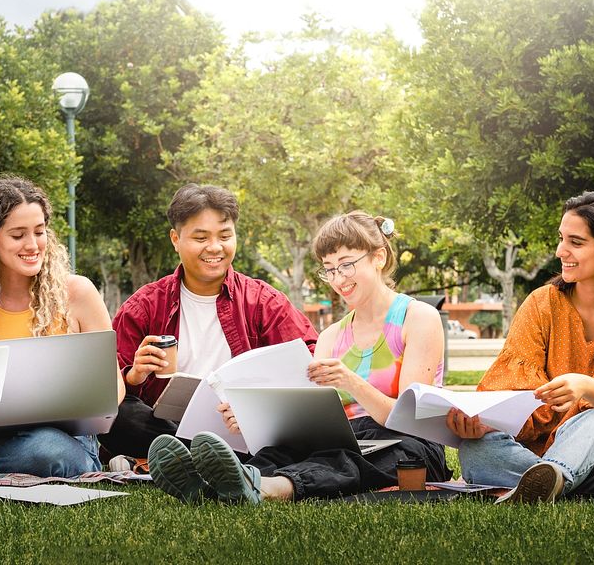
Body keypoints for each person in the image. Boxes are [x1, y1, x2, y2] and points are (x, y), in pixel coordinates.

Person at [147, 210, 451, 502]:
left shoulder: (418, 318)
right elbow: (310, 424)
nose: (338, 278)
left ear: (378, 258)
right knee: (287, 451)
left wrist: (352, 382)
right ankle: (206, 483)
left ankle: (268, 488)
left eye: (346, 264)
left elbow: (411, 420)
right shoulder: (331, 336)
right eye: (329, 269)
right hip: (349, 437)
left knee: (348, 459)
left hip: (409, 444)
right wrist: (252, 419)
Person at [447, 190, 594, 502]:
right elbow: (514, 391)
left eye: (575, 242)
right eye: (561, 238)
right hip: (530, 446)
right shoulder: (542, 302)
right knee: (475, 450)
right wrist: (484, 422)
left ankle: (554, 479)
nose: (559, 251)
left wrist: (586, 387)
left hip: (591, 440)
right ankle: (559, 482)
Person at [101, 183, 318, 459]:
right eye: (201, 238)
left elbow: (310, 362)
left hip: (242, 428)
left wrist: (257, 407)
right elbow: (104, 393)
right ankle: (214, 458)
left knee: (284, 428)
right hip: (168, 428)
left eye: (225, 236)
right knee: (120, 416)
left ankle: (172, 460)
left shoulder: (263, 301)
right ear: (175, 239)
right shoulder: (143, 306)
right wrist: (133, 376)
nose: (215, 248)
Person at [0, 175, 125, 478]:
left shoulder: (78, 293)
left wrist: (89, 408)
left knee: (46, 449)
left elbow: (114, 384)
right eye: (18, 235)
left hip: (68, 441)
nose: (33, 245)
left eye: (39, 232)